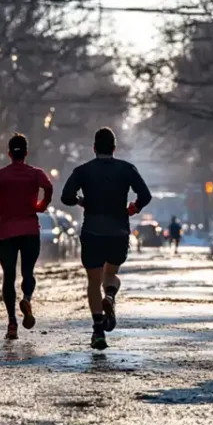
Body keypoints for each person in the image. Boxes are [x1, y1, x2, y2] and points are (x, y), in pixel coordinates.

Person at [61, 128, 151, 350]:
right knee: (111, 274)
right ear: (114, 148)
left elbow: (65, 197)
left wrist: (81, 201)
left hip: (92, 232)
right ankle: (110, 296)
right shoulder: (127, 169)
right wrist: (134, 207)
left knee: (93, 281)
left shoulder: (82, 171)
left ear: (94, 148)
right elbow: (145, 195)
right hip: (118, 232)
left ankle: (98, 331)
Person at [0, 133, 54, 340]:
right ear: (26, 153)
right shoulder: (35, 173)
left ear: (8, 153)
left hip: (6, 232)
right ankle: (28, 298)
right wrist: (41, 205)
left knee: (9, 276)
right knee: (28, 271)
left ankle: (12, 322)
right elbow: (48, 187)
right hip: (30, 229)